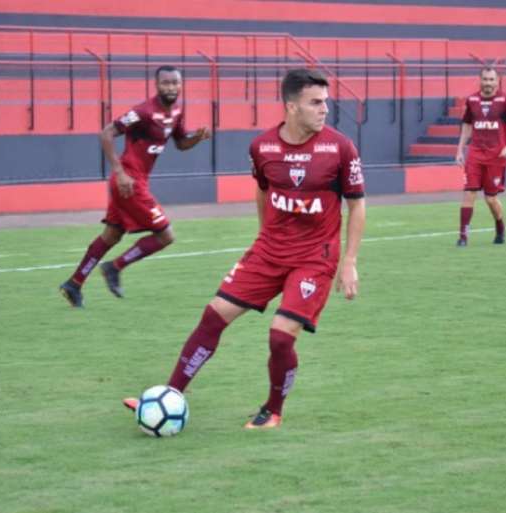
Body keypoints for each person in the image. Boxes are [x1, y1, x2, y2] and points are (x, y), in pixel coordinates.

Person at [123, 68, 367, 429]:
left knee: (280, 336)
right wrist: (264, 234)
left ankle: (273, 410)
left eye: (325, 103)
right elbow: (263, 190)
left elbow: (357, 205)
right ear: (292, 106)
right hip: (269, 251)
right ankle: (171, 393)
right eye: (315, 103)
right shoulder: (262, 147)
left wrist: (349, 261)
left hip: (315, 258)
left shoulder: (340, 148)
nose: (324, 110)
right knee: (214, 314)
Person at [59, 65, 210, 307]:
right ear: (156, 85)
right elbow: (106, 133)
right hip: (129, 182)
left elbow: (181, 143)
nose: (171, 87)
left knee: (112, 234)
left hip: (133, 182)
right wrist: (119, 172)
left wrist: (198, 137)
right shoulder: (143, 111)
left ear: (181, 85)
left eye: (175, 83)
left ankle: (74, 284)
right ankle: (114, 267)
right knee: (166, 235)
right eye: (166, 83)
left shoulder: (177, 112)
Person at [455, 66, 506, 246]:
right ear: (480, 80)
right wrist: (460, 149)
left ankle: (500, 228)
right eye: (485, 79)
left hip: (496, 156)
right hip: (475, 154)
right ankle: (463, 237)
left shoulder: (505, 100)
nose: (488, 83)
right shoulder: (472, 100)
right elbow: (467, 126)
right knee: (469, 193)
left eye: (491, 79)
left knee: (491, 199)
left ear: (497, 81)